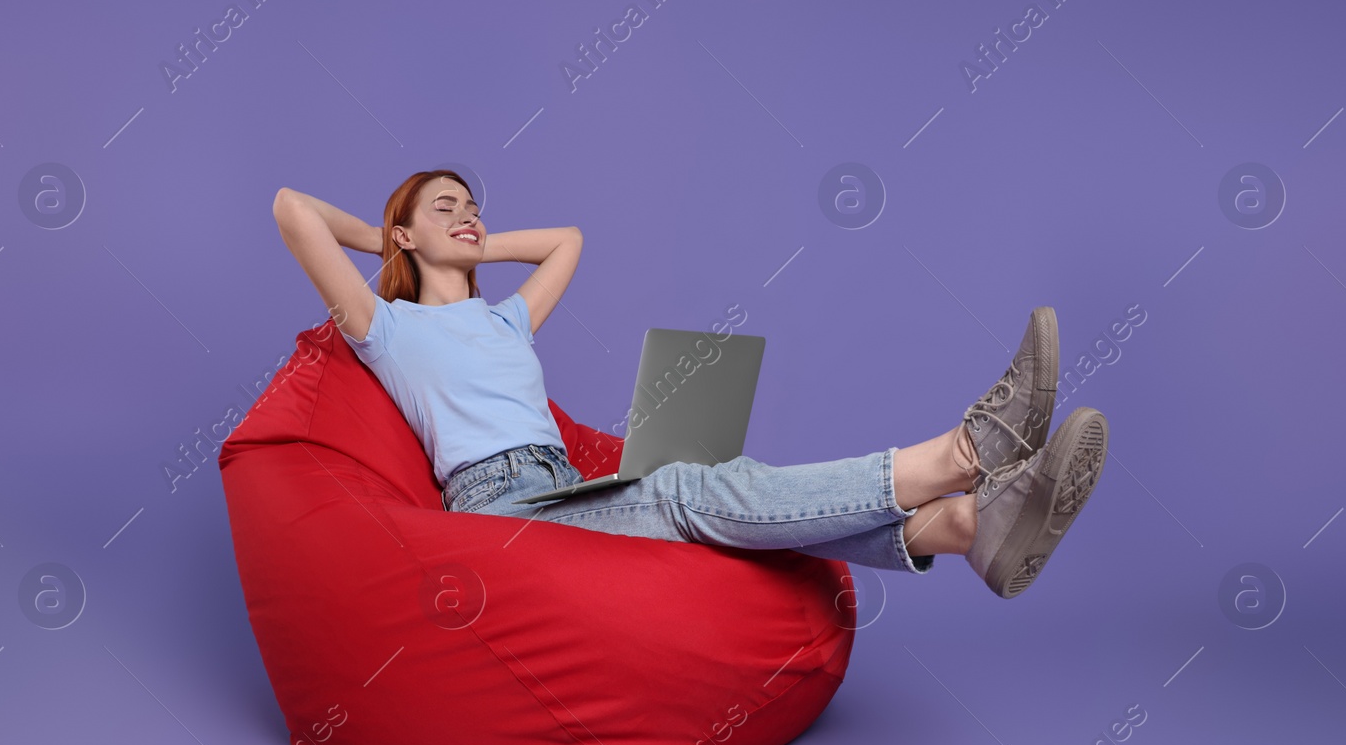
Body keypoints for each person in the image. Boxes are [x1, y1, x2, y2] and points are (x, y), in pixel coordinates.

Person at [271, 170, 1108, 599]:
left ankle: (968, 527)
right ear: (402, 234)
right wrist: (396, 243)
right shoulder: (388, 328)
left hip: (565, 486)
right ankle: (966, 452)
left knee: (724, 516)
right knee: (694, 490)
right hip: (500, 510)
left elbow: (568, 239)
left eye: (473, 206)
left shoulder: (504, 321)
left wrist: (465, 242)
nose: (468, 214)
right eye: (446, 206)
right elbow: (291, 211)